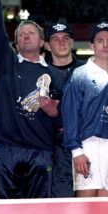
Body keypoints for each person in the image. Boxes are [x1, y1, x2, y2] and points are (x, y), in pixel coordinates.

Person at [0, 0, 65, 198]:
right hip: (6, 150)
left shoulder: (57, 75)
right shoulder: (7, 64)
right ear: (16, 43)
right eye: (21, 34)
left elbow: (63, 119)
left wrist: (54, 113)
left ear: (42, 42)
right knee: (4, 213)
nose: (25, 35)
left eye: (31, 33)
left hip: (40, 151)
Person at [62, 21, 108, 197]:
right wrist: (77, 151)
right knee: (86, 209)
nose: (105, 44)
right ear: (92, 46)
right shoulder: (80, 74)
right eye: (100, 40)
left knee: (107, 211)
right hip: (88, 146)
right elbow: (70, 115)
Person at [44, 22, 84, 197]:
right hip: (54, 150)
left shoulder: (87, 71)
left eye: (66, 38)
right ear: (47, 45)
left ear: (72, 42)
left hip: (86, 146)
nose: (62, 43)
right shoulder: (40, 73)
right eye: (56, 39)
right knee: (61, 206)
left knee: (92, 208)